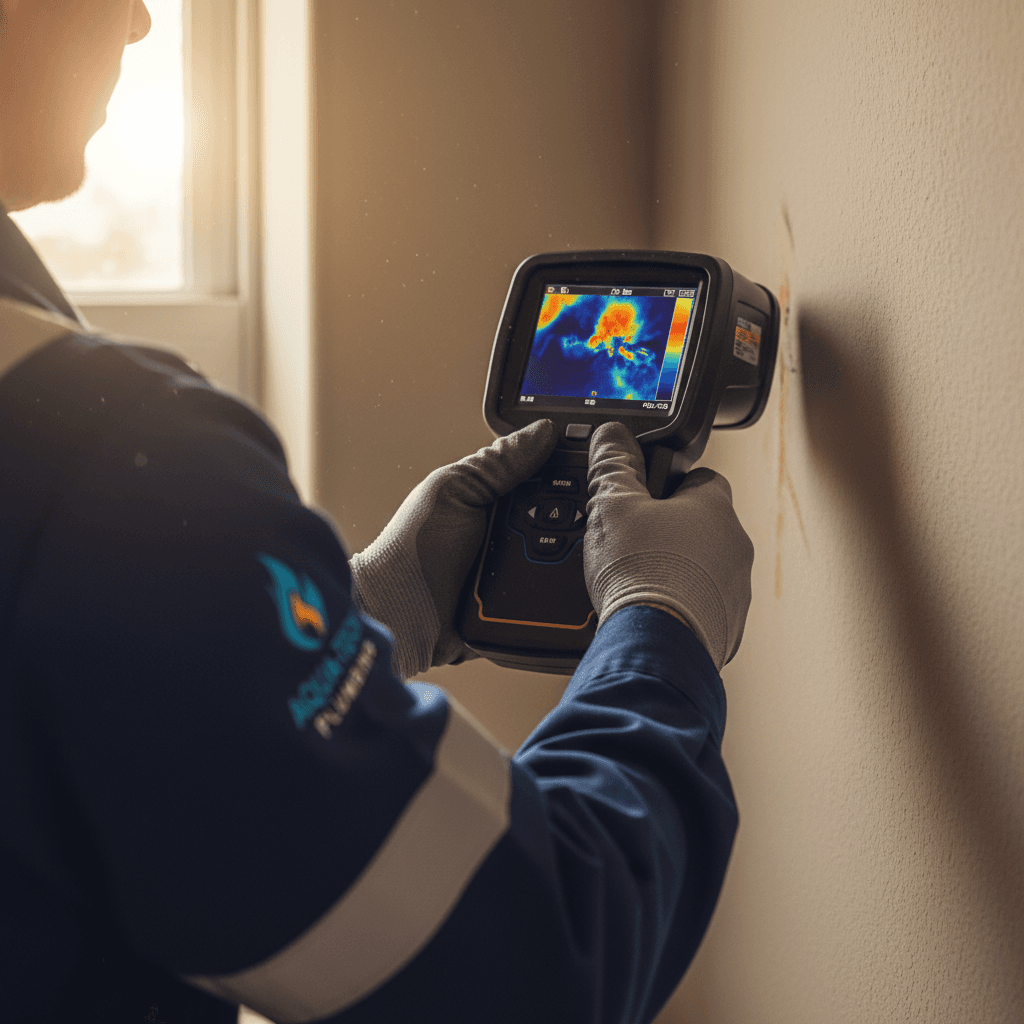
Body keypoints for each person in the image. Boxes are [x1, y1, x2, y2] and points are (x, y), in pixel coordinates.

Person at [0, 3, 754, 1022]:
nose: (136, 22)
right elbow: (538, 961)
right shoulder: (109, 464)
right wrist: (665, 625)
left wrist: (367, 613)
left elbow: (89, 723)